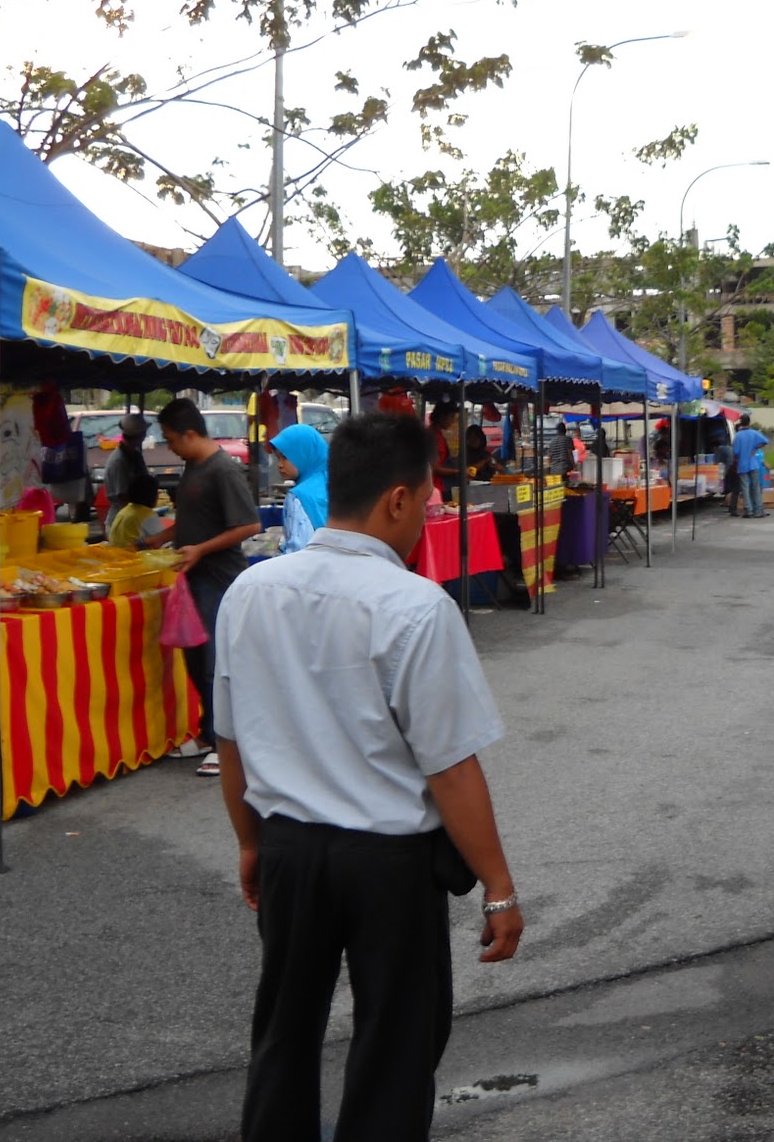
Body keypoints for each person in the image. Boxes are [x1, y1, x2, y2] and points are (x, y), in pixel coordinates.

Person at [212, 410, 523, 1142]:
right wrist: (500, 889)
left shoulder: (251, 593)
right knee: (395, 1041)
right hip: (389, 863)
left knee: (284, 1035)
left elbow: (231, 743)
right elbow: (450, 767)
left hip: (289, 849)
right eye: (428, 495)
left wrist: (251, 845)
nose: (427, 512)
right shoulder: (416, 606)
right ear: (397, 500)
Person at [141, 399, 260, 777]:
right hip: (191, 576)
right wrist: (161, 540)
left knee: (213, 661)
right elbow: (194, 519)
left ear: (191, 434)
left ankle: (224, 743)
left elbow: (248, 526)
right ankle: (208, 735)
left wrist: (201, 549)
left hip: (219, 578)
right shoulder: (192, 466)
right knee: (194, 656)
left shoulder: (223, 469)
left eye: (172, 439)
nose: (170, 446)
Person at [268, 424, 329, 554]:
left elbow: (298, 551)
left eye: (285, 457)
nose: (279, 465)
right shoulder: (338, 483)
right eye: (278, 458)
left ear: (303, 454)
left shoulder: (298, 497)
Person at [103, 414, 150, 536]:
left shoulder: (135, 454)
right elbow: (123, 496)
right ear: (140, 435)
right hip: (120, 520)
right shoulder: (119, 462)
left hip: (132, 517)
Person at [108, 469, 163, 549]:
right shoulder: (147, 515)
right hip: (134, 558)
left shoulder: (124, 511)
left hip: (116, 556)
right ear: (154, 495)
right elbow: (161, 542)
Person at [731, 413, 770, 518]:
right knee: (756, 487)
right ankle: (759, 510)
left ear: (740, 422)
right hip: (753, 463)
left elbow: (735, 452)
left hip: (742, 464)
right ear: (749, 422)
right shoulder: (754, 433)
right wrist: (755, 448)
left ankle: (748, 510)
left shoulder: (738, 436)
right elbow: (765, 441)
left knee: (745, 488)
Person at [429, 403, 461, 497]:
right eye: (451, 417)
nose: (452, 421)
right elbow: (433, 468)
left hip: (442, 485)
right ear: (442, 417)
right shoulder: (432, 436)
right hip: (436, 488)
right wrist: (458, 472)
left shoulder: (438, 434)